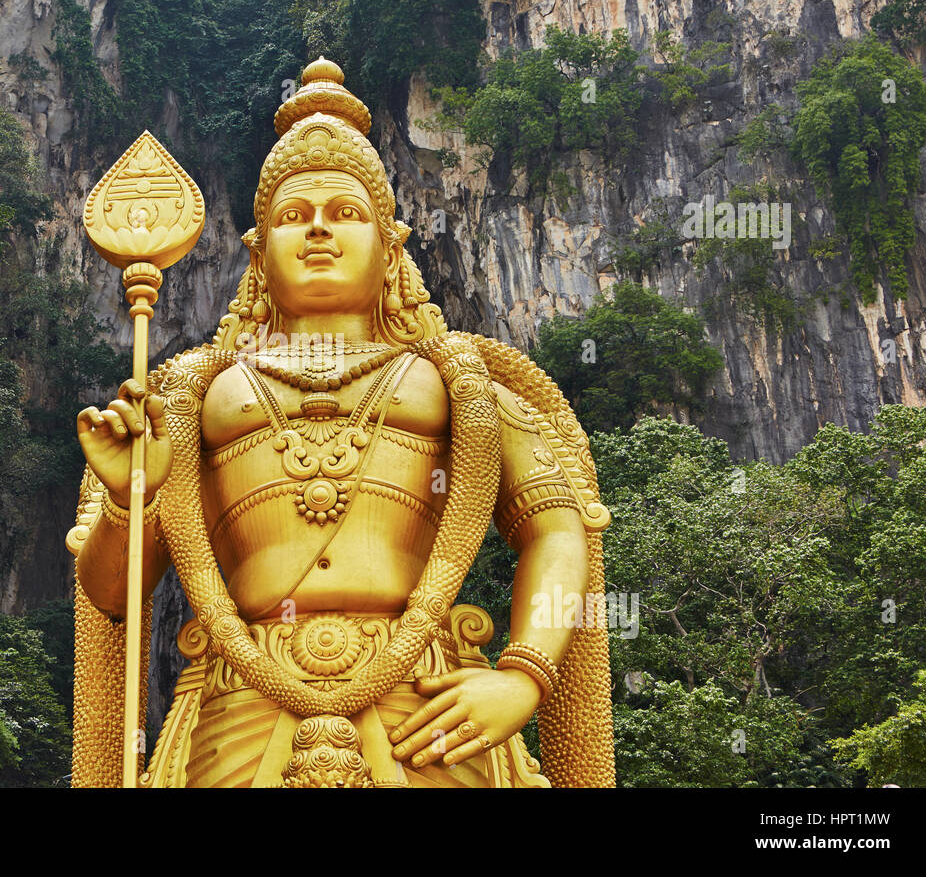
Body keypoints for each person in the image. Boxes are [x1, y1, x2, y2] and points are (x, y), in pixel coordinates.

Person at [68, 59, 614, 787]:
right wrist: (127, 500)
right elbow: (111, 595)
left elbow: (555, 528)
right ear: (259, 254)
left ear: (391, 245)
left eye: (345, 212)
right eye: (293, 216)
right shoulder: (194, 398)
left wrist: (525, 675)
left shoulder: (457, 382)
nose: (318, 229)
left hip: (425, 704)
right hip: (243, 701)